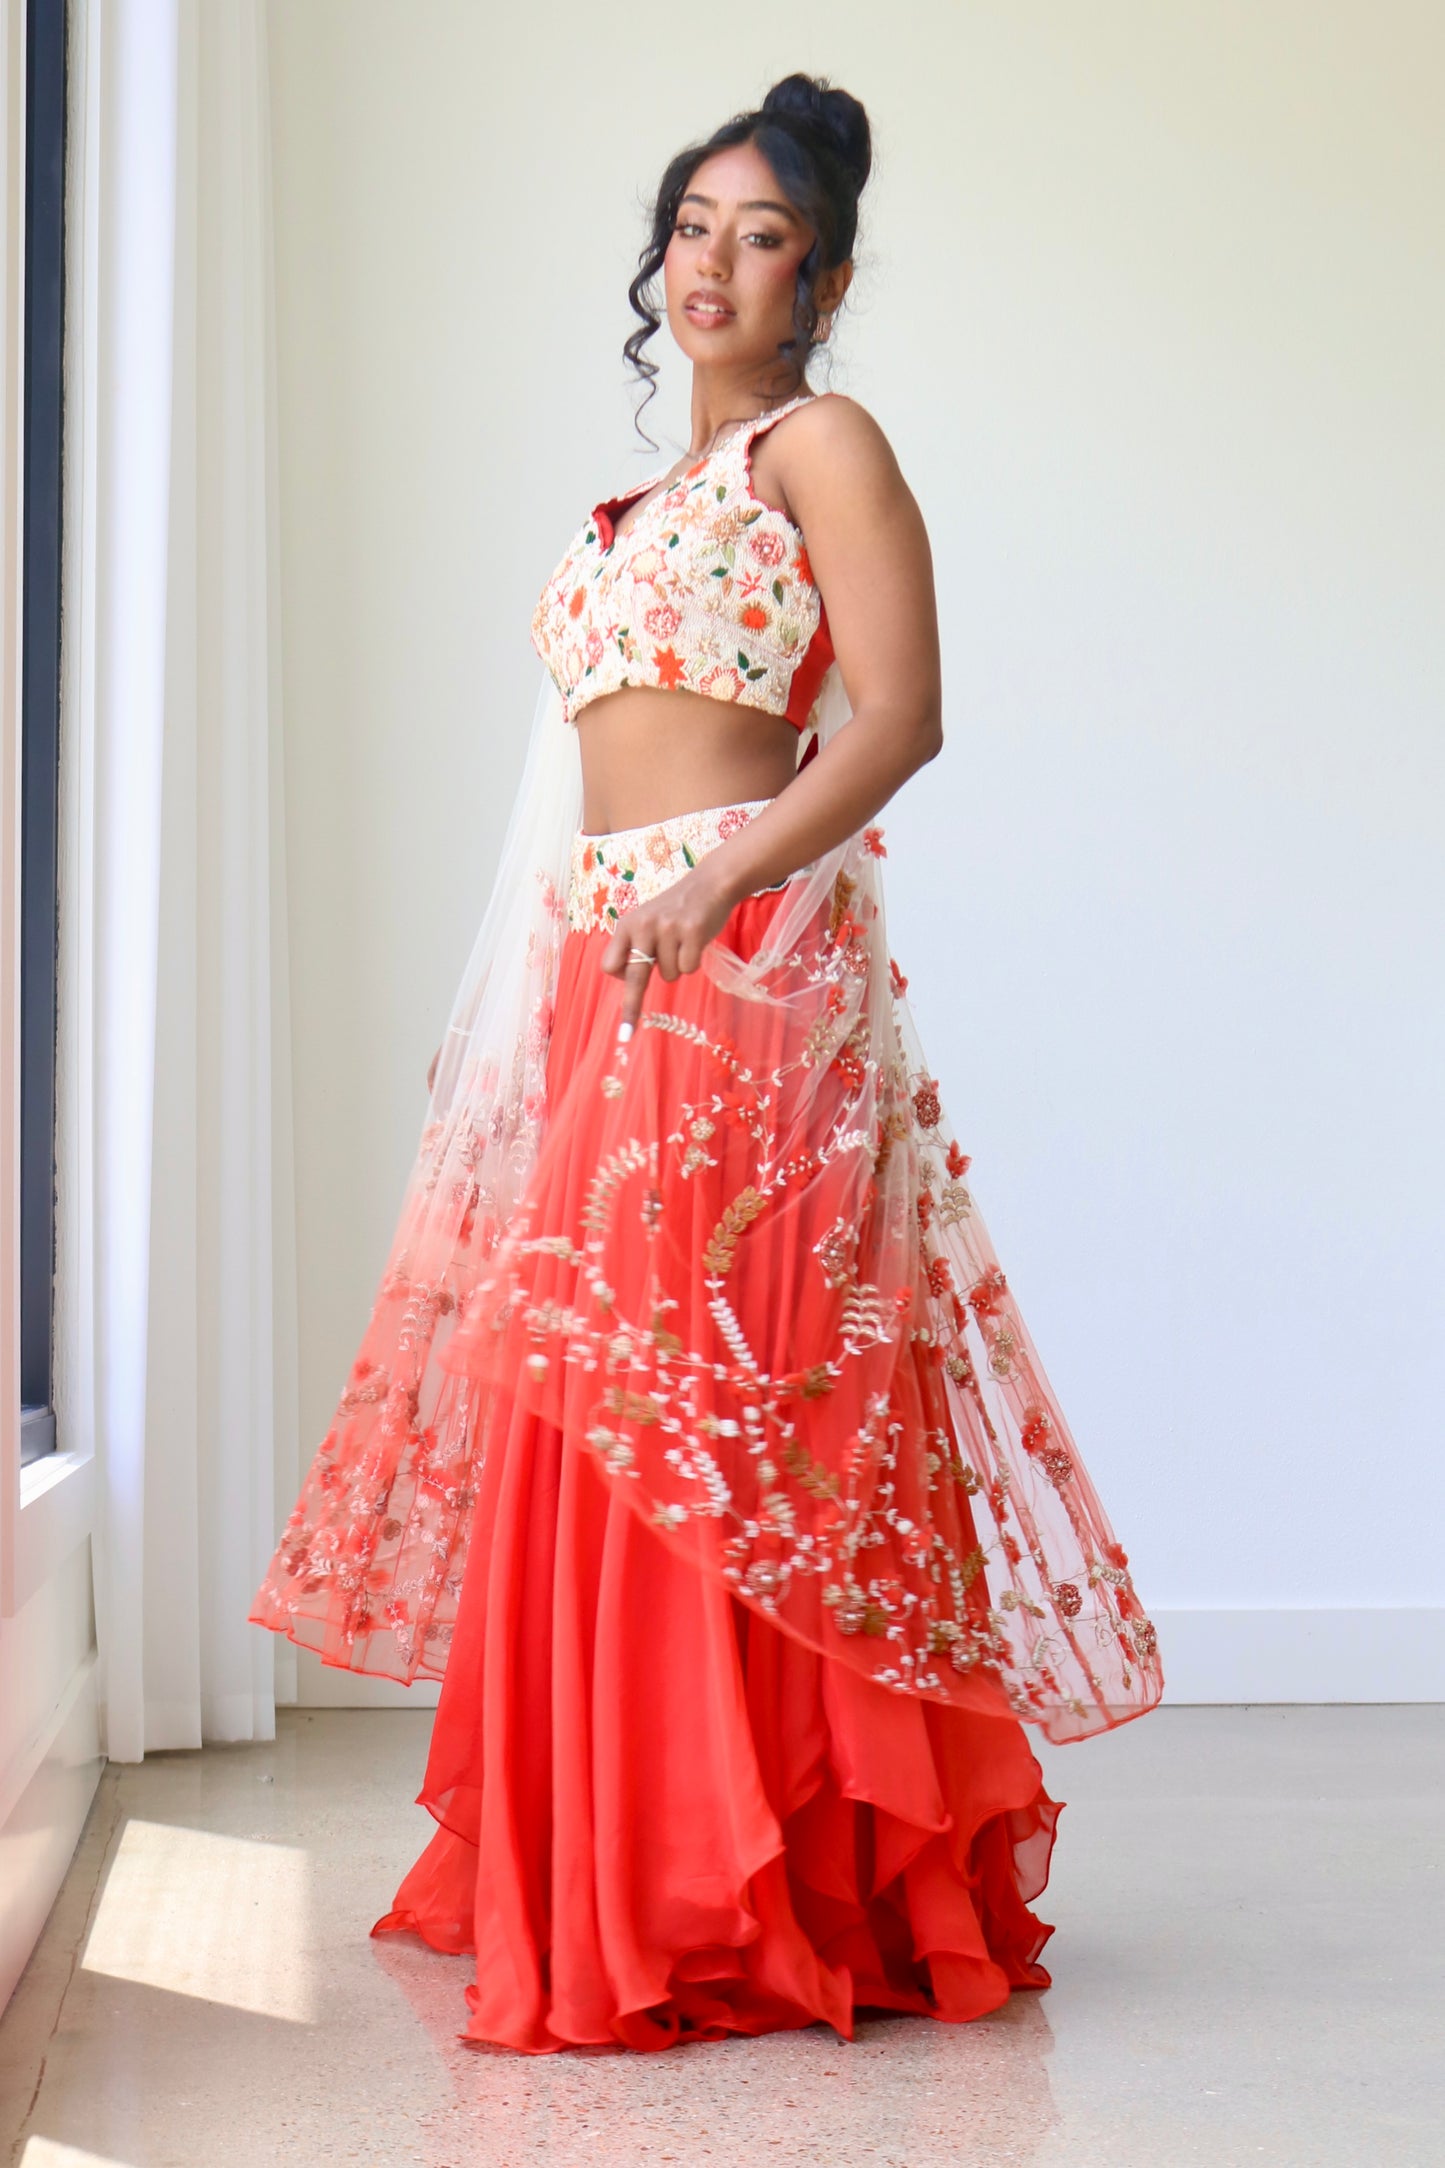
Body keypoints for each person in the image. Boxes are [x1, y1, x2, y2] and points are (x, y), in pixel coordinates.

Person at [251, 71, 1163, 2055]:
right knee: (610, 1404)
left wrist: (716, 887)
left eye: (765, 238)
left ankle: (772, 1883)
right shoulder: (648, 501)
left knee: (733, 1402)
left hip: (747, 957)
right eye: (693, 228)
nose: (717, 265)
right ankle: (628, 1858)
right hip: (614, 954)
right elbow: (571, 787)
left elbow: (900, 715)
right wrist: (516, 1005)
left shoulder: (825, 445)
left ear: (820, 281)